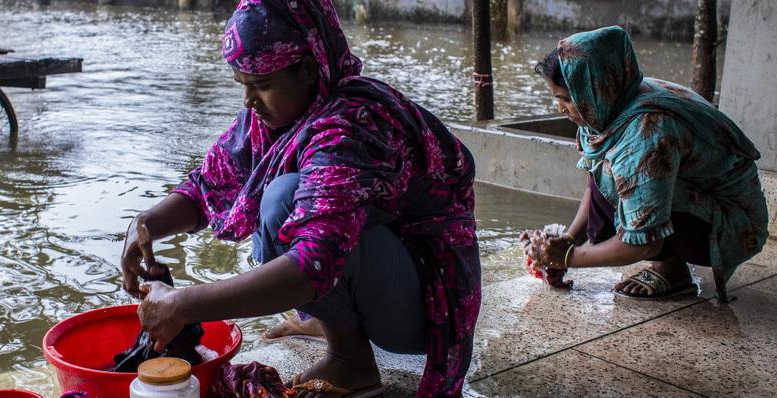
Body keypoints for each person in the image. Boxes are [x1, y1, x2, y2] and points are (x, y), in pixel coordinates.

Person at [119, 0, 481, 395]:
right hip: (383, 273)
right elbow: (210, 185)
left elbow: (314, 264)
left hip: (426, 305)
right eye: (243, 84)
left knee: (281, 200)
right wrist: (147, 223)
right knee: (280, 204)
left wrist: (183, 305)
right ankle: (344, 345)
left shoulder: (350, 126)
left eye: (261, 85)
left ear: (308, 69)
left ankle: (348, 357)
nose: (249, 102)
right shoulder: (279, 116)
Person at [522, 26, 768, 301]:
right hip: (700, 196)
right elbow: (595, 179)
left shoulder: (646, 132)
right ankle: (672, 264)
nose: (560, 108)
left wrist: (569, 258)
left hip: (735, 224)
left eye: (566, 99)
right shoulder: (613, 98)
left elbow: (644, 243)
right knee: (612, 177)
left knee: (630, 188)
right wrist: (568, 240)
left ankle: (672, 268)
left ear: (589, 91)